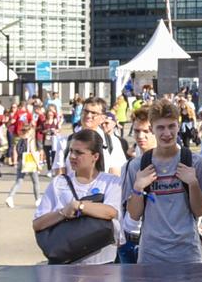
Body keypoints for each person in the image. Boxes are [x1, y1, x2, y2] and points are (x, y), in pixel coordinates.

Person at [122, 95, 202, 265]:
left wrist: (193, 183)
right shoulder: (137, 166)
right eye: (160, 128)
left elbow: (200, 211)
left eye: (171, 126)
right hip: (150, 253)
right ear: (152, 129)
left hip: (187, 252)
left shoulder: (194, 162)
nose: (167, 133)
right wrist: (138, 187)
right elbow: (134, 214)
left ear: (178, 126)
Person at [32, 126, 123, 265]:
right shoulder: (59, 183)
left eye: (79, 153)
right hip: (66, 266)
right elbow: (38, 224)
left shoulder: (111, 182)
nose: (72, 156)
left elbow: (110, 212)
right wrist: (63, 212)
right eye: (71, 151)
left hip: (103, 266)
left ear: (95, 156)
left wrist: (79, 206)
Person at [116, 110, 155, 262]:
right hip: (131, 238)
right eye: (137, 131)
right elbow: (123, 204)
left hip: (158, 240)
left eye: (146, 131)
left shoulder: (172, 162)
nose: (140, 136)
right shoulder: (129, 166)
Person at [72, 96, 126, 176]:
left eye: (94, 113)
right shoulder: (66, 141)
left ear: (102, 118)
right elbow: (60, 176)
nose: (88, 116)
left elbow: (116, 176)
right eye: (85, 111)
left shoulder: (112, 142)